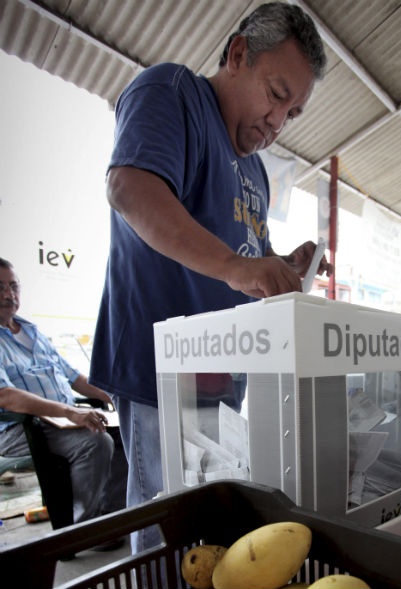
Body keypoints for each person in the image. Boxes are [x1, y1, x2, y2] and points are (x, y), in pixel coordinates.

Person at [89, 2, 329, 552]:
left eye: (292, 113)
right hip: (161, 372)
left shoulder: (255, 172)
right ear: (239, 53)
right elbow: (130, 188)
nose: (277, 121)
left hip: (220, 380)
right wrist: (238, 266)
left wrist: (285, 266)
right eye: (275, 94)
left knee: (205, 535)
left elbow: (248, 259)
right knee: (164, 531)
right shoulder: (172, 92)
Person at [0, 258, 123, 528]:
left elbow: (75, 378)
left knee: (125, 433)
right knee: (96, 442)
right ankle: (81, 528)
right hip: (22, 428)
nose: (9, 295)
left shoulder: (33, 332)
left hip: (64, 420)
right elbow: (5, 396)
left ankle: (111, 516)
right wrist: (70, 411)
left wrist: (116, 395)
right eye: (0, 288)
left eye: (13, 286)